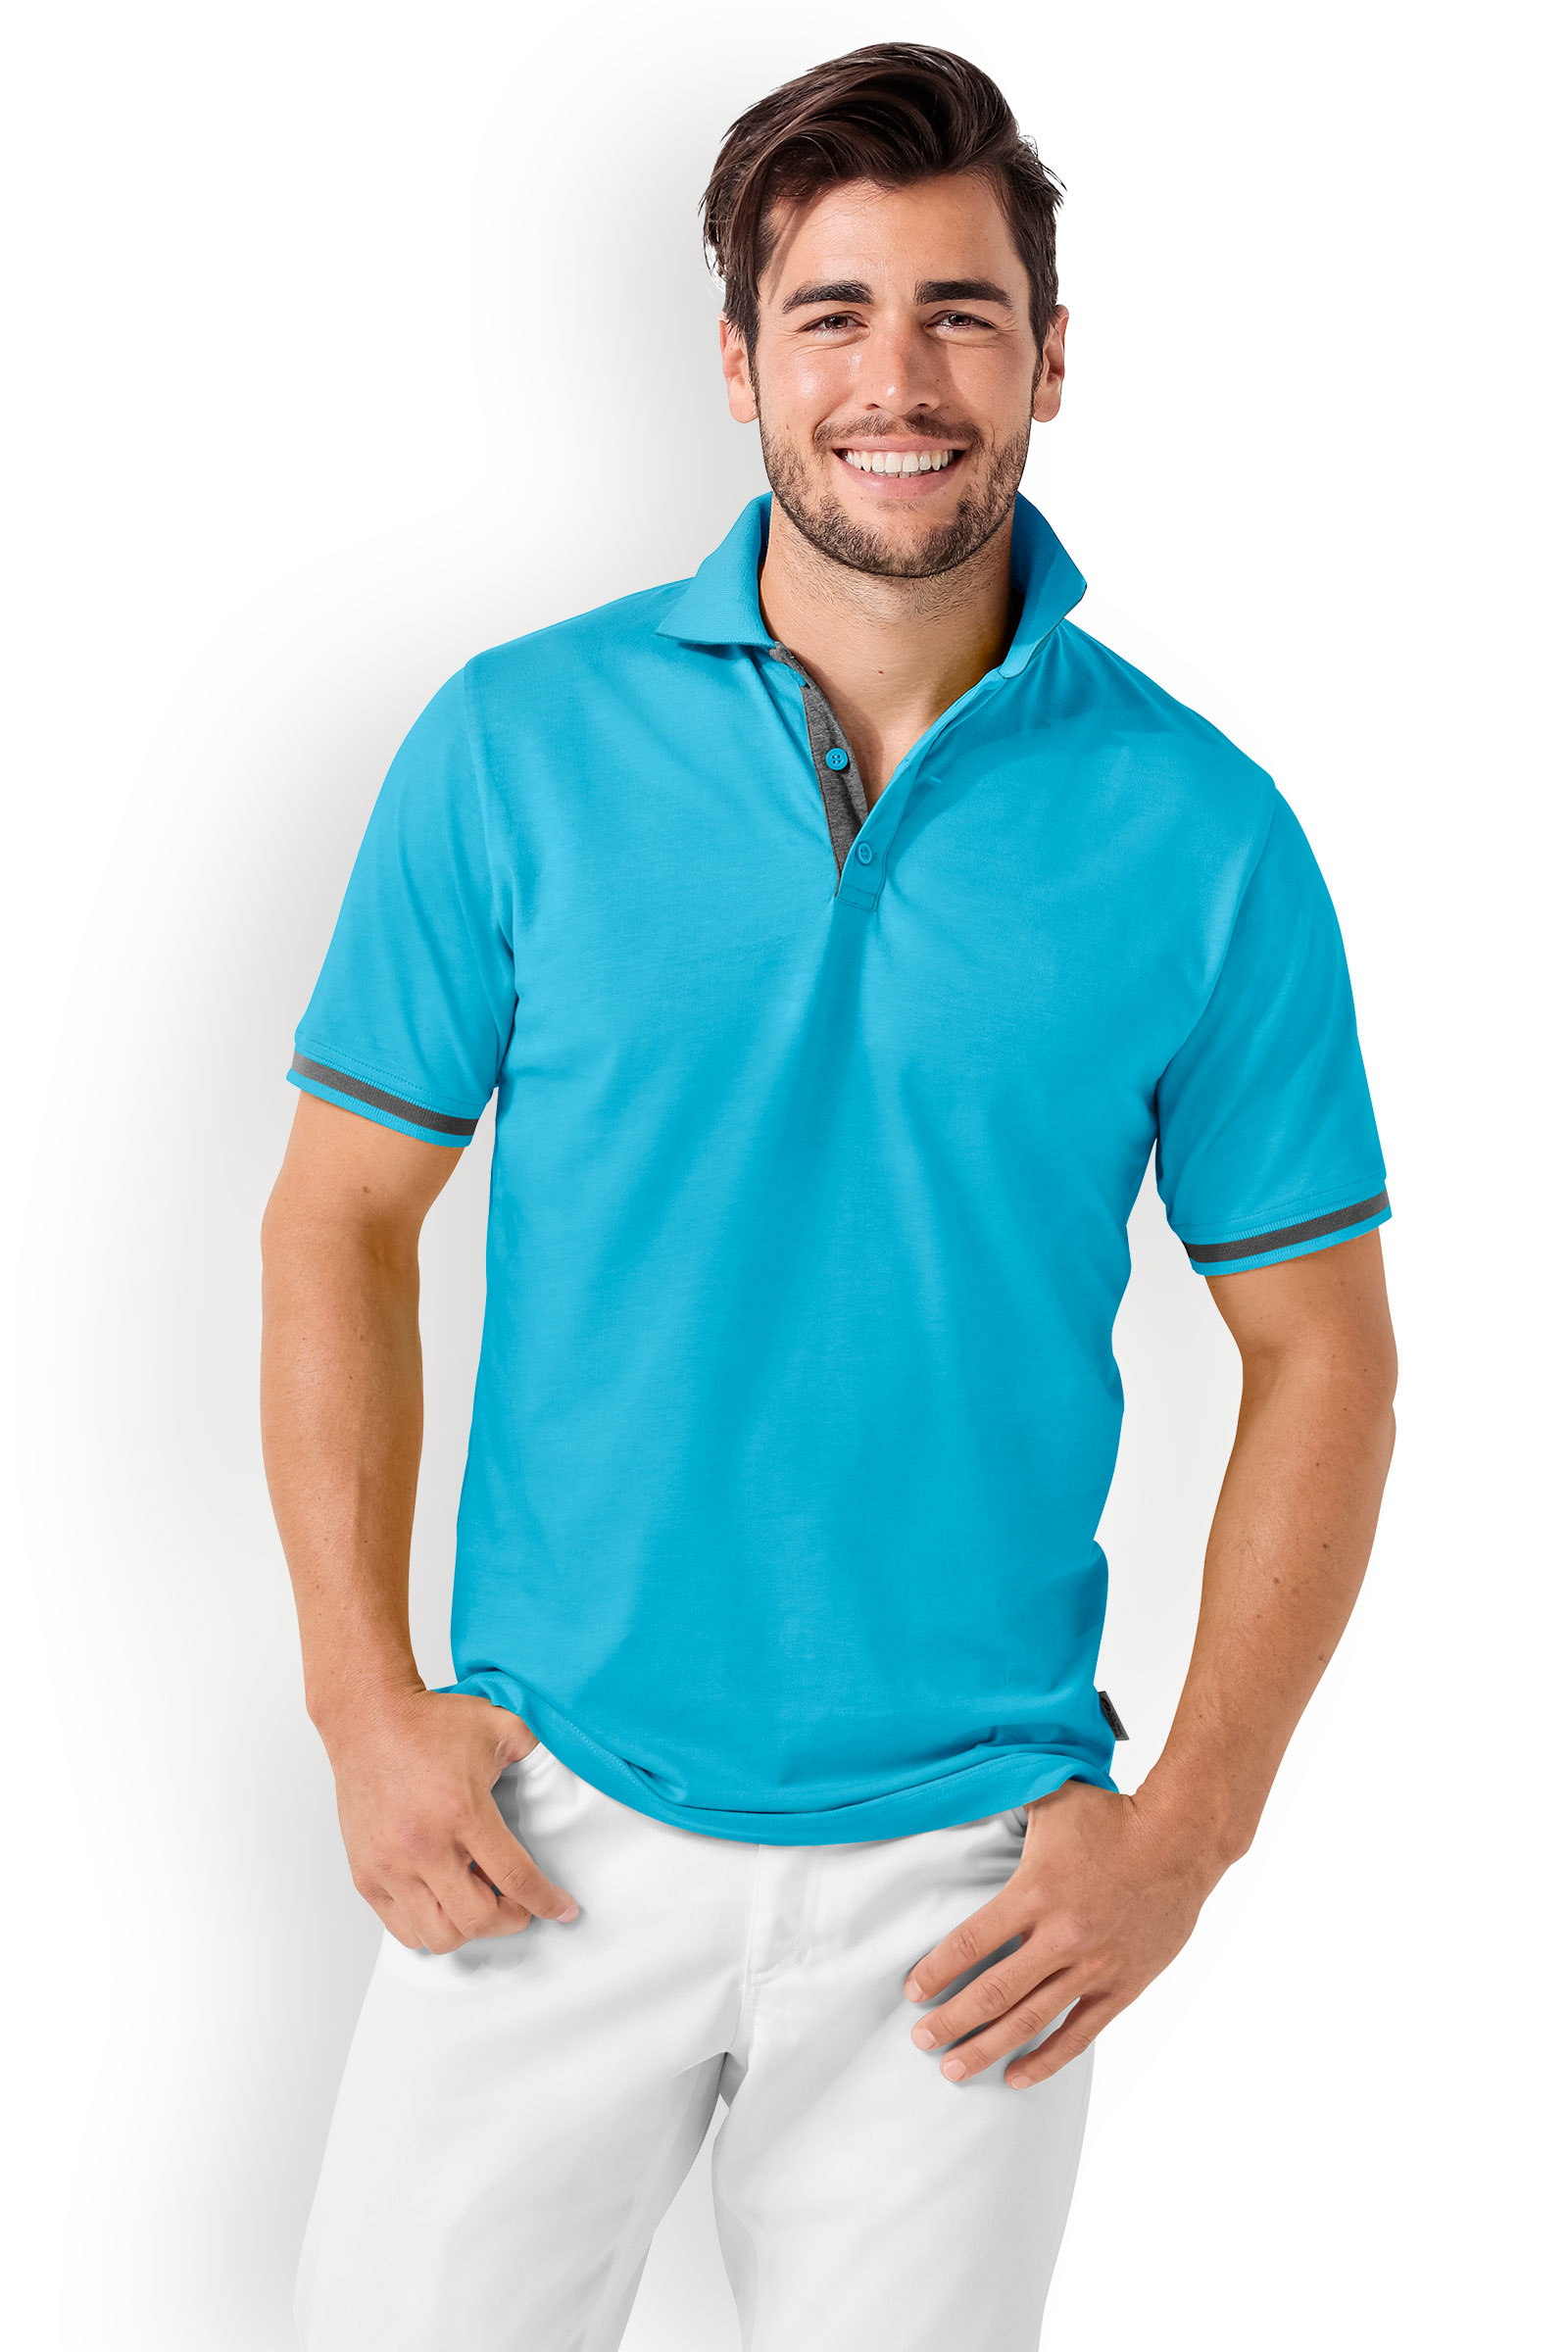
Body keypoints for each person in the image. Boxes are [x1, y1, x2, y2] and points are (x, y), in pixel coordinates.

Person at [261, 42, 1397, 2352]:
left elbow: (1323, 1356)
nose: (896, 381)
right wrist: (363, 1705)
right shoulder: (511, 747)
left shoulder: (1202, 832)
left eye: (960, 314)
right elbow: (335, 1220)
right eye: (831, 314)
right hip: (542, 1822)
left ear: (1049, 358)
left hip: (967, 1892)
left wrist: (1186, 1830)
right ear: (736, 360)